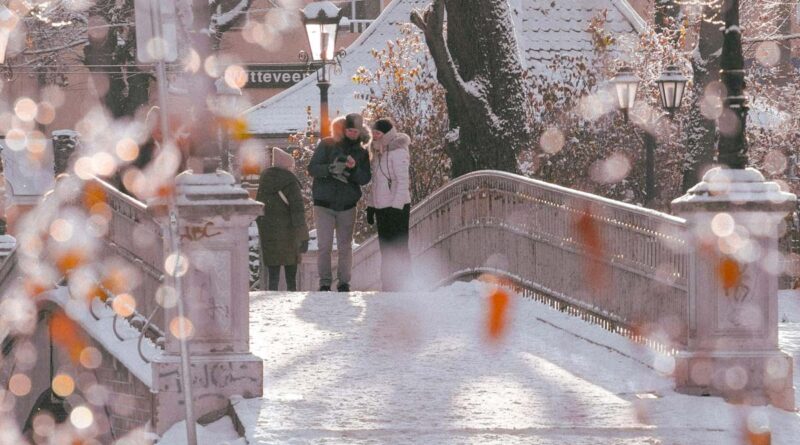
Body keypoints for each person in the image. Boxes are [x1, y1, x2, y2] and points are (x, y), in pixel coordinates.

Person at [308, 113, 372, 292]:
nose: (352, 134)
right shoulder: (327, 144)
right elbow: (312, 168)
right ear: (344, 129)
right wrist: (330, 168)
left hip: (347, 205)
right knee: (324, 245)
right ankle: (325, 282)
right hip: (324, 203)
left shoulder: (361, 152)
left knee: (345, 246)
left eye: (356, 131)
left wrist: (353, 169)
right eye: (350, 130)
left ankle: (344, 282)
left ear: (360, 132)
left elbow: (365, 178)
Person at [366, 118, 412, 291]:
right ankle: (388, 283)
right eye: (374, 133)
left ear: (386, 133)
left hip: (396, 208)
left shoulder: (398, 151)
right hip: (381, 207)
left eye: (378, 133)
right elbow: (377, 183)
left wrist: (396, 206)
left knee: (399, 246)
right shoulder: (379, 152)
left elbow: (402, 181)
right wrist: (371, 206)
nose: (375, 136)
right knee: (385, 247)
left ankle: (405, 283)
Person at [256, 147, 309, 291]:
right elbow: (298, 213)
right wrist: (304, 237)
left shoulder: (264, 182)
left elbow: (259, 208)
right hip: (289, 233)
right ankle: (291, 295)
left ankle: (272, 296)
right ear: (288, 166)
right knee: (290, 275)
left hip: (269, 233)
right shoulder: (290, 183)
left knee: (273, 274)